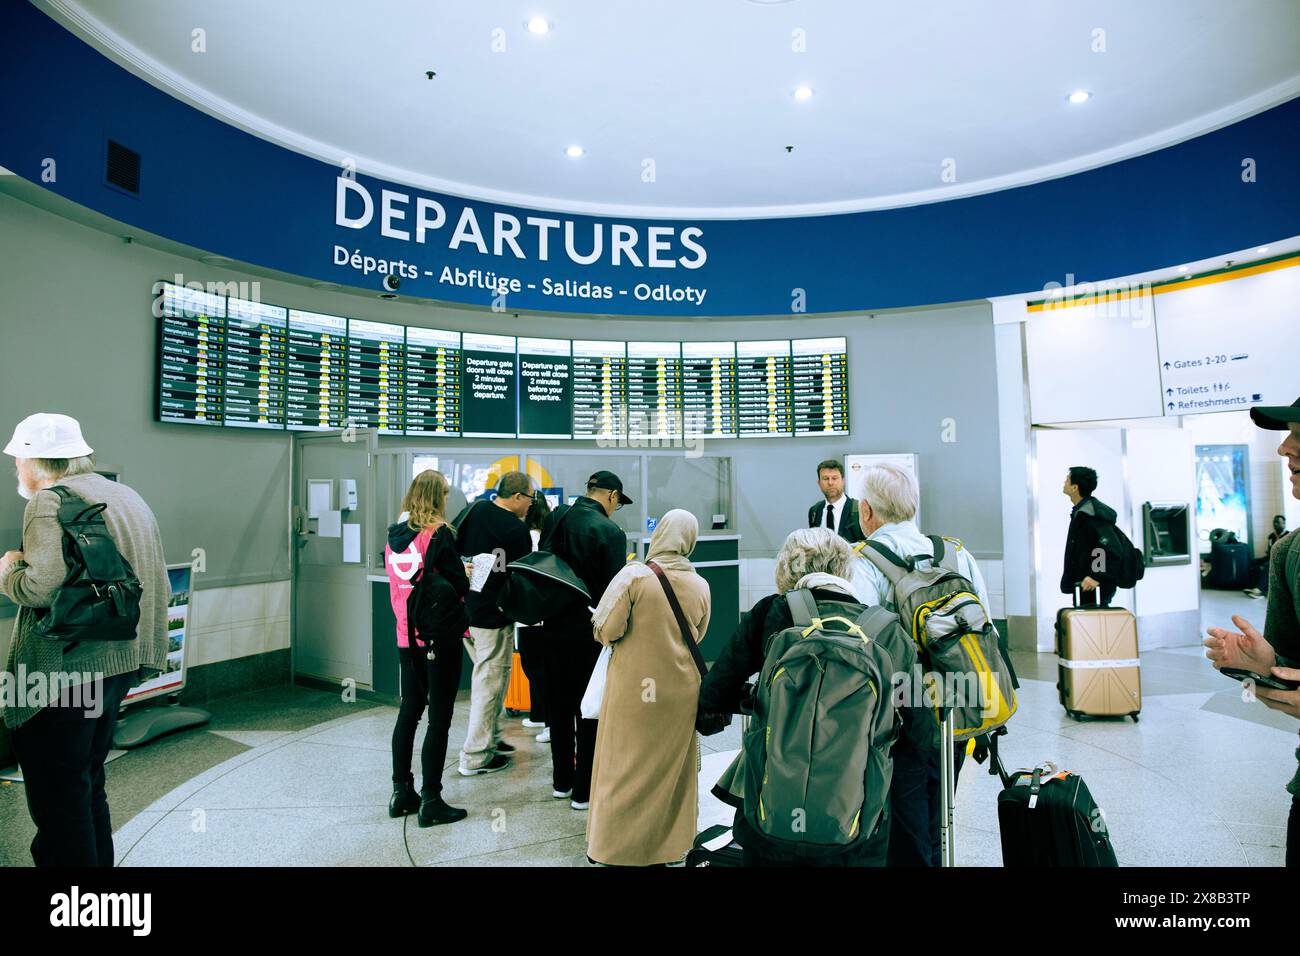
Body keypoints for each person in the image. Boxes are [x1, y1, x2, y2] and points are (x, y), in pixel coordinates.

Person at [0, 413, 169, 866]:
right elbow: (156, 581)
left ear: (35, 459)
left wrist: (9, 567)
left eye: (18, 460)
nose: (17, 469)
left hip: (64, 674)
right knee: (87, 780)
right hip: (115, 667)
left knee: (58, 798)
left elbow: (40, 587)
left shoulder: (49, 501)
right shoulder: (124, 495)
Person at [699, 527, 917, 866]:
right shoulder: (889, 632)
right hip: (857, 822)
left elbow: (714, 693)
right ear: (845, 569)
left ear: (787, 568)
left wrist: (764, 699)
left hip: (769, 814)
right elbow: (920, 732)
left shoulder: (772, 613)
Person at [847, 463, 994, 867]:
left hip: (901, 715)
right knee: (939, 811)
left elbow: (860, 647)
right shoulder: (956, 553)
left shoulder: (863, 562)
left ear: (866, 510)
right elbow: (986, 627)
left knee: (903, 827)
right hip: (957, 708)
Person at [1205, 397, 1300, 867]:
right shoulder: (1290, 553)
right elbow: (1289, 676)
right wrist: (1262, 668)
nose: (1285, 448)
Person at [587, 509, 711, 866]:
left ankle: (613, 847)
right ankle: (670, 847)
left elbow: (607, 630)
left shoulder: (634, 576)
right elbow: (698, 634)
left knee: (622, 766)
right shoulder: (700, 584)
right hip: (680, 692)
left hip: (634, 691)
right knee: (672, 773)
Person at [539, 471, 629, 810]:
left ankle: (561, 781)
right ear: (611, 496)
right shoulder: (610, 532)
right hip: (590, 632)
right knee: (588, 708)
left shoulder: (555, 518)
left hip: (551, 626)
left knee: (559, 706)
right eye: (618, 502)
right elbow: (615, 592)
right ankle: (584, 790)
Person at [385, 469, 470, 826]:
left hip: (406, 638)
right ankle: (432, 799)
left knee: (409, 712)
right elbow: (456, 585)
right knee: (440, 719)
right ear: (437, 497)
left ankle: (402, 792)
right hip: (437, 639)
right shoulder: (439, 535)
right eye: (445, 494)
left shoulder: (393, 537)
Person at [453, 471, 534, 776]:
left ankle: (492, 739)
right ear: (517, 497)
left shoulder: (474, 509)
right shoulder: (515, 530)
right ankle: (475, 756)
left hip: (465, 612)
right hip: (493, 617)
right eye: (530, 498)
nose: (530, 504)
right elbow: (521, 578)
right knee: (489, 685)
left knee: (491, 682)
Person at [518, 492, 552, 743]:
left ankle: (548, 720)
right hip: (541, 612)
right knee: (539, 666)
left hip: (530, 613)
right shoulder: (546, 538)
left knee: (535, 667)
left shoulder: (528, 538)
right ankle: (540, 714)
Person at [1060, 466, 1120, 607]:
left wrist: (1096, 576)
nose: (1064, 482)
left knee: (1093, 625)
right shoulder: (1084, 511)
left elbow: (1108, 546)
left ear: (1075, 487)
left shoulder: (1091, 514)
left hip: (1092, 586)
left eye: (1067, 479)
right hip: (1085, 584)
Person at [807, 459, 864, 543]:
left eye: (834, 478)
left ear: (843, 481)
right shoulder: (814, 511)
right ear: (819, 483)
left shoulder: (859, 509)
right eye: (825, 478)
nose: (830, 483)